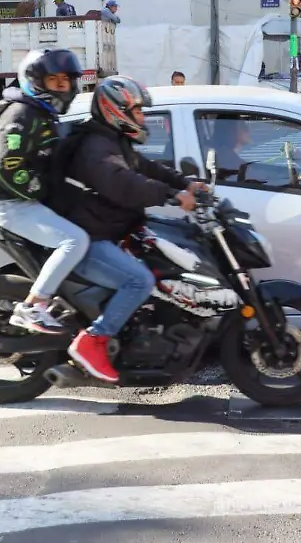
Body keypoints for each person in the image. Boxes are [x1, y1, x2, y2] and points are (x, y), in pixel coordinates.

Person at [57, 76, 205, 383]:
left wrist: (185, 183)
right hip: (90, 237)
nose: (142, 117)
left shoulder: (113, 140)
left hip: (107, 229)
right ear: (116, 110)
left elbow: (146, 168)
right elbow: (126, 184)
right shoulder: (96, 147)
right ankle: (93, 341)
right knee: (139, 280)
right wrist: (173, 196)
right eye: (136, 111)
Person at [0, 49, 91, 334]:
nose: (63, 88)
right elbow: (6, 168)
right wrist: (43, 188)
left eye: (66, 81)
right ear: (36, 82)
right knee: (74, 241)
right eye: (55, 81)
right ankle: (34, 305)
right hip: (14, 205)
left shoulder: (40, 114)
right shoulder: (21, 115)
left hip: (23, 201)